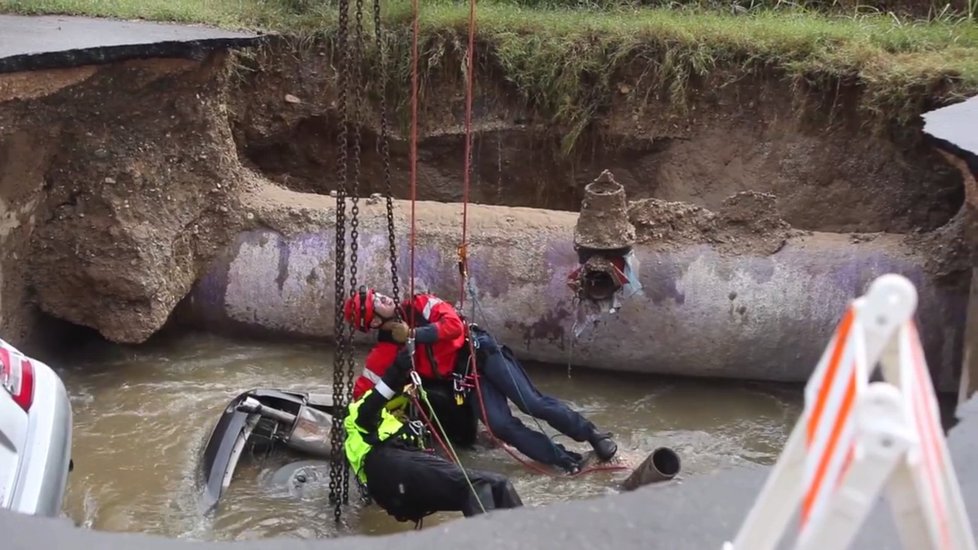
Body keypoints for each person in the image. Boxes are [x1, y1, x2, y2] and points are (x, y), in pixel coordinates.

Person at [343, 286, 618, 474]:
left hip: (481, 354)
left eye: (380, 294)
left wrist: (414, 334)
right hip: (466, 379)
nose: (384, 297)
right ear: (376, 322)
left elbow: (454, 327)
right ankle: (564, 459)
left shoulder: (420, 303)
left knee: (531, 402)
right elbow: (366, 392)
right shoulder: (385, 354)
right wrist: (348, 425)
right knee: (501, 425)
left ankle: (593, 435)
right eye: (377, 301)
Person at [344, 343, 523, 523]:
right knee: (477, 487)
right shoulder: (360, 411)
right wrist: (395, 371)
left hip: (398, 476)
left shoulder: (398, 420)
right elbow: (367, 411)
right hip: (389, 465)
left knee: (498, 484)